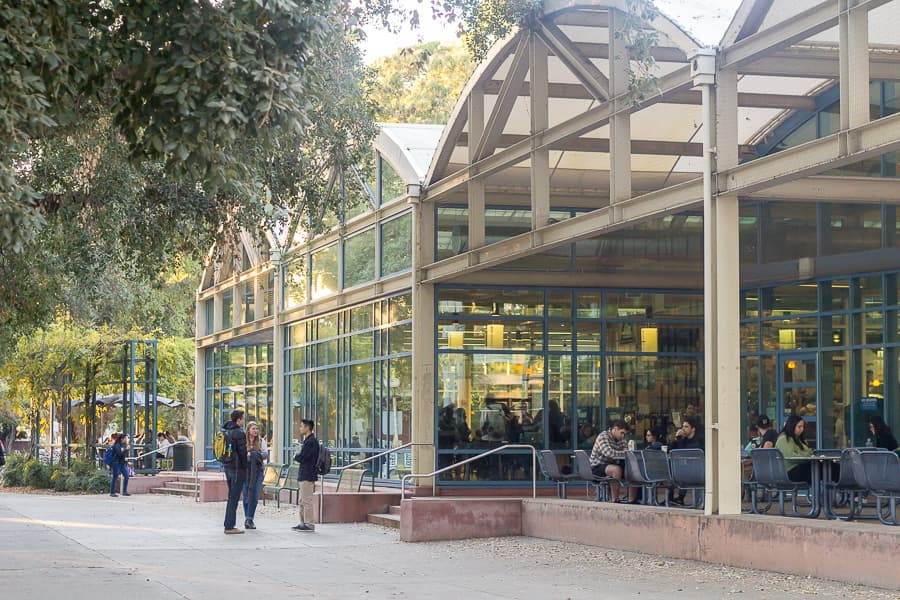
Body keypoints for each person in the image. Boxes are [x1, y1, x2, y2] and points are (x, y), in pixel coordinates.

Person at [589, 420, 638, 503]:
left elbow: (627, 453)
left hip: (611, 465)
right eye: (621, 433)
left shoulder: (621, 440)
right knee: (616, 470)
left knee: (634, 469)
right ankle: (615, 500)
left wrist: (626, 452)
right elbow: (609, 453)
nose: (623, 436)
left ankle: (631, 501)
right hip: (596, 466)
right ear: (615, 429)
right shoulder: (603, 436)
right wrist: (624, 453)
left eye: (624, 434)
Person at [222, 409, 249, 535]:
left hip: (227, 466)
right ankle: (229, 526)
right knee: (234, 497)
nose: (244, 420)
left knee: (231, 496)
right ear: (238, 420)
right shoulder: (239, 432)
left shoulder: (226, 430)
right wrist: (246, 467)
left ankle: (228, 524)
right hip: (237, 468)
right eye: (243, 418)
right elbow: (243, 453)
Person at [292, 419, 319, 532]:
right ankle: (302, 523)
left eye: (302, 426)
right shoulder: (308, 440)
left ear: (307, 428)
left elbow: (304, 457)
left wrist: (296, 456)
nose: (300, 428)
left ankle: (309, 524)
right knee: (302, 500)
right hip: (304, 474)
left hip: (308, 474)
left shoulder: (311, 441)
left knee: (306, 500)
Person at [670, 416, 704, 505]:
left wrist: (679, 439)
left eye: (686, 427)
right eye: (683, 426)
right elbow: (671, 450)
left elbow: (684, 452)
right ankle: (672, 498)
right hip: (685, 471)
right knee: (671, 472)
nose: (683, 429)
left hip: (697, 473)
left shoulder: (698, 441)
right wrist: (676, 439)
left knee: (679, 471)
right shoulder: (684, 439)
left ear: (693, 429)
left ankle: (680, 498)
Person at [242, 421, 268, 530]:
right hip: (245, 472)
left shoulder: (261, 441)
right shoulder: (243, 441)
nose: (256, 431)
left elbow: (265, 454)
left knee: (254, 496)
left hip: (258, 472)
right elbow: (240, 454)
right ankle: (247, 518)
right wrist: (248, 455)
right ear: (248, 430)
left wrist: (253, 455)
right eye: (253, 429)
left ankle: (249, 519)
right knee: (246, 496)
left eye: (257, 429)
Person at [775, 415, 813, 483]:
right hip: (789, 472)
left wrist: (807, 455)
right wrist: (808, 456)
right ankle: (828, 486)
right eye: (799, 426)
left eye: (803, 426)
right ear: (792, 426)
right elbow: (790, 456)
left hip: (797, 468)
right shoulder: (784, 439)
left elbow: (808, 452)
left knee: (822, 466)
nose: (802, 429)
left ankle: (827, 486)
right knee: (817, 468)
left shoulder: (798, 439)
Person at [109, 433, 131, 497]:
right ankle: (112, 492)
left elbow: (123, 455)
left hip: (122, 463)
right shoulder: (117, 445)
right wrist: (126, 449)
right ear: (122, 439)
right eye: (125, 438)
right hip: (116, 463)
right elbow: (119, 454)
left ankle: (124, 491)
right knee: (115, 477)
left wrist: (126, 461)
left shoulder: (123, 445)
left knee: (126, 476)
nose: (126, 439)